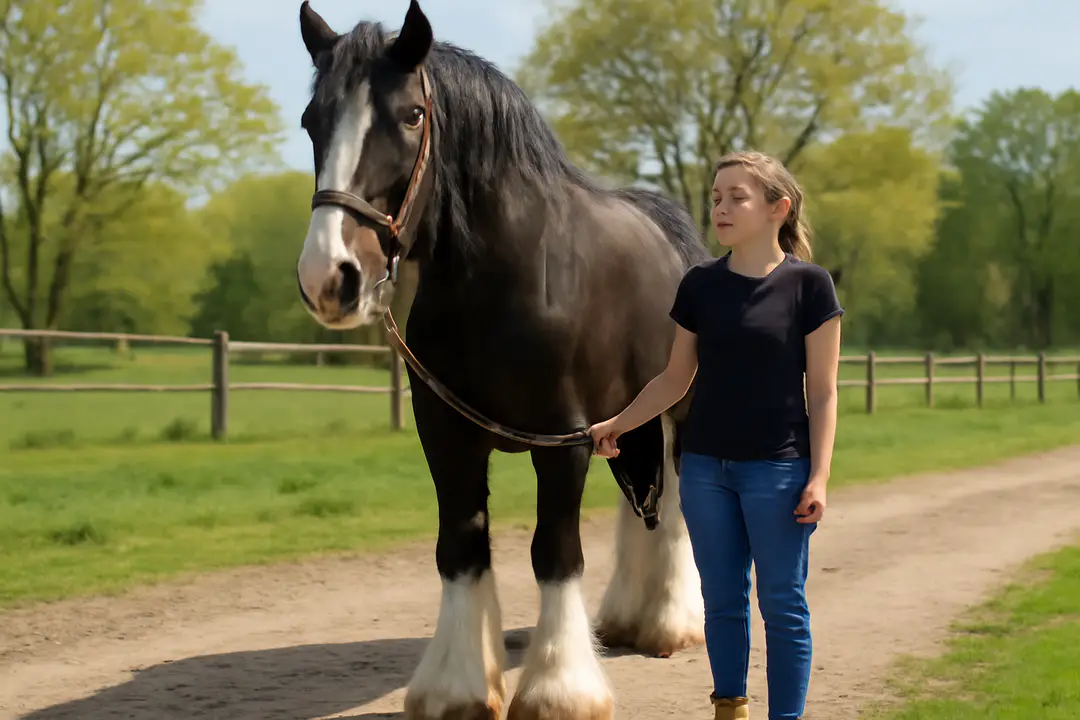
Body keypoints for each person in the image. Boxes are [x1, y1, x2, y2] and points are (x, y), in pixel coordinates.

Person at [589, 150, 843, 720]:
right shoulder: (700, 285)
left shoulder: (810, 287)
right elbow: (675, 379)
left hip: (779, 471)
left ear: (778, 208)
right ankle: (729, 708)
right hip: (704, 470)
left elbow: (823, 393)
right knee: (722, 603)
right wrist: (617, 424)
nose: (721, 208)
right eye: (716, 197)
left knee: (782, 605)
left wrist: (819, 476)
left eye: (736, 197)